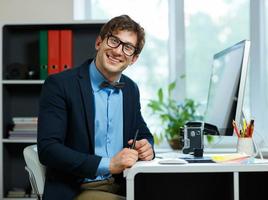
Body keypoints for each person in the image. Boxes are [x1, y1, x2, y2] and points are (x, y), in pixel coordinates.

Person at [37, 14, 154, 200]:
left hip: (125, 184)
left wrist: (148, 147)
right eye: (114, 40)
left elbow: (143, 133)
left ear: (134, 59)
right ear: (99, 42)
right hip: (78, 189)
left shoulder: (131, 89)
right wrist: (108, 164)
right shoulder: (59, 84)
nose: (118, 51)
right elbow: (48, 150)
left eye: (128, 47)